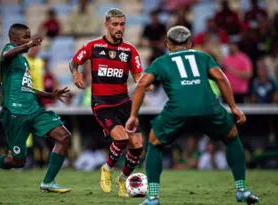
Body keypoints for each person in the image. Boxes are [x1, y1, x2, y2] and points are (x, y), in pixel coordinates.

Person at [125, 26, 259, 205]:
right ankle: (241, 190)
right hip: (209, 107)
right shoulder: (203, 57)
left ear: (168, 45)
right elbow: (221, 78)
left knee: (154, 142)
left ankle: (153, 198)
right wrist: (234, 108)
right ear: (190, 43)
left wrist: (133, 115)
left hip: (178, 109)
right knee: (232, 136)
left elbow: (141, 85)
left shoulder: (161, 61)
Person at [69, 8, 153, 197]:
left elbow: (138, 75)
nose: (119, 28)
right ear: (106, 25)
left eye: (122, 24)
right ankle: (107, 169)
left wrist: (144, 83)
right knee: (121, 138)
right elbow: (74, 62)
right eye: (115, 24)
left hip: (124, 102)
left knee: (138, 146)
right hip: (102, 103)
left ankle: (122, 180)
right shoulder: (94, 46)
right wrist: (76, 73)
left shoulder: (130, 50)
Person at [0, 23, 71, 193]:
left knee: (64, 136)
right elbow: (7, 54)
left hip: (33, 109)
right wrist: (28, 45)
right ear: (14, 38)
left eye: (29, 37)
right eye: (25, 37)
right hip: (15, 113)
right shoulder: (8, 50)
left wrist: (49, 95)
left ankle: (48, 182)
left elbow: (27, 87)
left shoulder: (23, 61)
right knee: (18, 162)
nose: (28, 40)